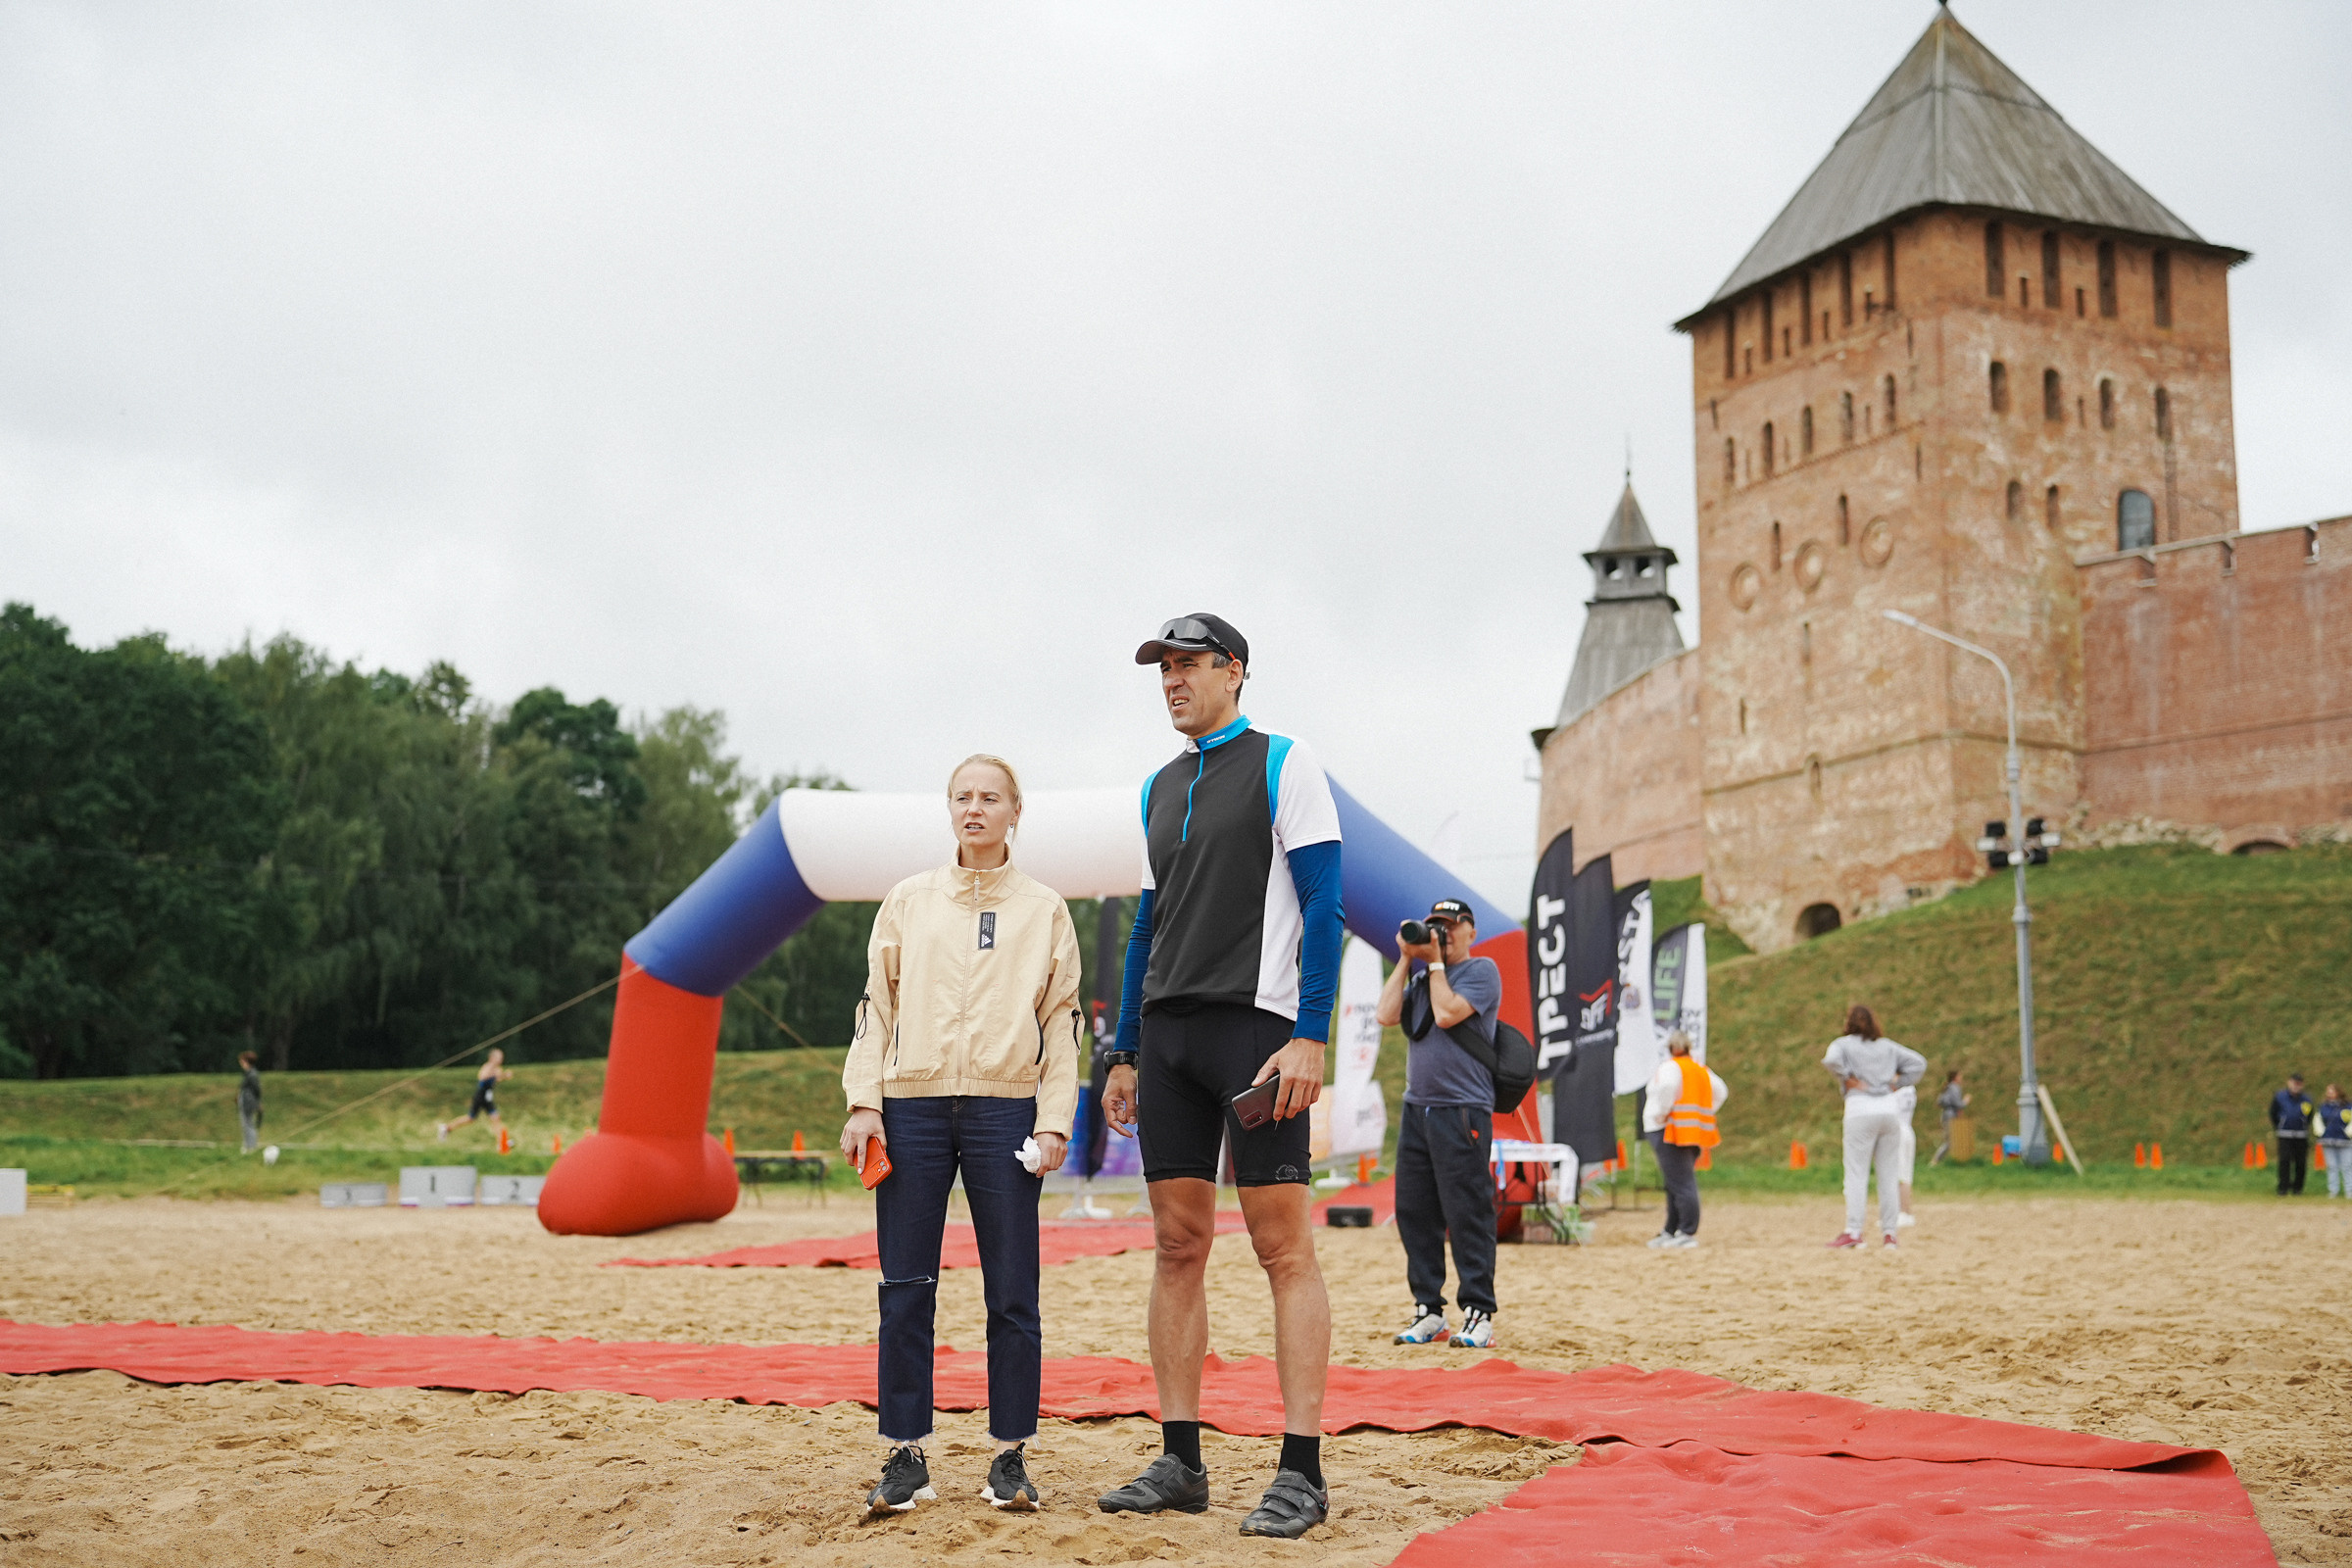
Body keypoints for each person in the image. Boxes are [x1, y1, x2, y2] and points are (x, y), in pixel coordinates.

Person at [1097, 613, 1344, 1541]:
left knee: (1283, 1246)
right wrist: (1122, 1050)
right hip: (1168, 1039)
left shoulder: (1286, 761)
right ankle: (1181, 1457)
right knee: (1175, 1245)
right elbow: (1145, 929)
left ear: (1235, 672)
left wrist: (1311, 1035)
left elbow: (1325, 904)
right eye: (1163, 667)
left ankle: (1302, 1469)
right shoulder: (1160, 786)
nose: (1172, 680)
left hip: (1258, 1030)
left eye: (1190, 664)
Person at [838, 754, 1082, 1519]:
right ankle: (905, 1454)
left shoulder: (1044, 909)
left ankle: (1010, 1456)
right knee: (905, 1287)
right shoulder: (908, 900)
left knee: (1014, 1291)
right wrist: (863, 1102)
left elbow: (1062, 1024)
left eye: (990, 798)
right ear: (948, 809)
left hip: (1005, 1111)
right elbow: (875, 1008)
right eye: (962, 797)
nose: (975, 808)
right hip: (909, 1107)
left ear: (1016, 811)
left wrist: (1052, 1124)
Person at [1376, 899, 1502, 1348]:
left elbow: (1448, 1013)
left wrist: (1432, 967)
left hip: (1462, 1108)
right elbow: (1386, 1015)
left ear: (1470, 930)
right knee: (1415, 1212)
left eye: (1448, 927)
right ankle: (1428, 1309)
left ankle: (1479, 1312)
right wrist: (1408, 958)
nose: (1440, 935)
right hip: (1418, 1108)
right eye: (1434, 927)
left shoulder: (1481, 971)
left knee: (1467, 1212)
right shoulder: (1421, 973)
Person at [1822, 1005, 1925, 1250]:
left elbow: (1830, 1060)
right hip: (1889, 1110)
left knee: (1857, 1173)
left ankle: (1854, 1231)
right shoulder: (1887, 1046)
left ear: (1849, 1023)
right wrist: (1897, 1084)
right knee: (1889, 1174)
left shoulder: (1843, 1044)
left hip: (1860, 1108)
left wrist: (1847, 1076)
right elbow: (1919, 1063)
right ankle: (1890, 1234)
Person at [1641, 1030, 1727, 1250]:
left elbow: (1667, 1088)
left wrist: (1663, 1111)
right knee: (1676, 1182)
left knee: (1681, 1183)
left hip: (1669, 1130)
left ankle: (1686, 1230)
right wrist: (1703, 1112)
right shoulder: (1699, 1068)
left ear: (1670, 1049)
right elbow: (1720, 1091)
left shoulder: (1671, 1067)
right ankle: (1671, 1230)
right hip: (1692, 1130)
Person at [437, 1048, 512, 1139]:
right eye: (499, 1057)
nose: (501, 1060)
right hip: (480, 1096)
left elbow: (497, 1079)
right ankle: (446, 1128)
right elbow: (482, 1077)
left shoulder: (498, 1069)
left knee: (495, 1118)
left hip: (488, 1097)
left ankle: (502, 1142)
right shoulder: (487, 1067)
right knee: (470, 1118)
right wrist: (497, 1074)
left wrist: (505, 1076)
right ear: (492, 1058)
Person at [2271, 1074, 2315, 1197]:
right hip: (2285, 1134)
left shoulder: (2307, 1099)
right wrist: (2280, 1125)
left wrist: (2303, 1125)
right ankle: (2283, 1188)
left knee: (2301, 1163)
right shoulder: (2280, 1097)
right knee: (2284, 1161)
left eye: (2299, 1083)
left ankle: (2298, 1188)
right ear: (2289, 1083)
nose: (2296, 1086)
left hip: (2301, 1135)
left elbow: (2310, 1115)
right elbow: (2273, 1113)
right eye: (2294, 1083)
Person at [2318, 1085, 2351, 1200]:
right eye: (2328, 1091)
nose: (2330, 1093)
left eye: (2332, 1091)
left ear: (2339, 1092)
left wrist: (2349, 1132)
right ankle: (2333, 1190)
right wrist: (2321, 1132)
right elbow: (2318, 1120)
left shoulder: (2348, 1106)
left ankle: (2349, 1191)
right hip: (2328, 1140)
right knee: (2332, 1166)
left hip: (2345, 1141)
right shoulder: (2323, 1107)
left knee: (2347, 1166)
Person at [1931, 1070, 1968, 1165]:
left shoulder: (1948, 1087)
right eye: (1960, 1075)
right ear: (1955, 1077)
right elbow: (1958, 1104)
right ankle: (1935, 1161)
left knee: (1954, 1140)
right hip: (1951, 1116)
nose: (1961, 1078)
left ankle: (1959, 1161)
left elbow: (1939, 1102)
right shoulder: (1955, 1088)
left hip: (1946, 1115)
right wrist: (1965, 1101)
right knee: (1950, 1141)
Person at [236, 1051, 264, 1153]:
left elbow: (257, 1090)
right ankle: (249, 1145)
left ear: (246, 1061)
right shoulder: (249, 1074)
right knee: (247, 1124)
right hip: (246, 1101)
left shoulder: (252, 1074)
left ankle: (250, 1146)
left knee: (248, 1124)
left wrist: (258, 1102)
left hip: (248, 1102)